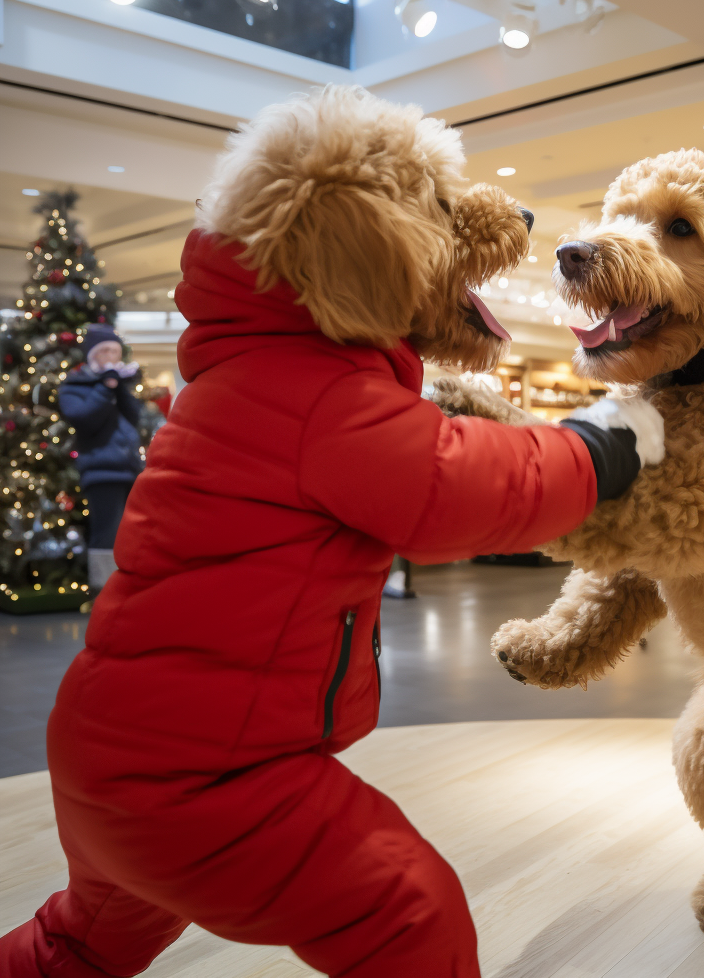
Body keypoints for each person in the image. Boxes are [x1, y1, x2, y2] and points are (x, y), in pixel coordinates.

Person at [0, 232, 663, 978]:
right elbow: (453, 490)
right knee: (406, 912)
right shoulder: (320, 391)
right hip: (206, 774)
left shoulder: (246, 375)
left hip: (106, 744)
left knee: (79, 945)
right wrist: (597, 447)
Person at [57, 323, 143, 592]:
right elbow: (84, 419)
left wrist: (118, 387)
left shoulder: (116, 383)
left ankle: (130, 589)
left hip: (130, 469)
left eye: (115, 351)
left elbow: (134, 417)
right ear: (92, 354)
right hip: (101, 470)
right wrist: (105, 386)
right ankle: (104, 592)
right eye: (105, 350)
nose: (111, 357)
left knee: (131, 533)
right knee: (107, 533)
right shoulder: (75, 385)